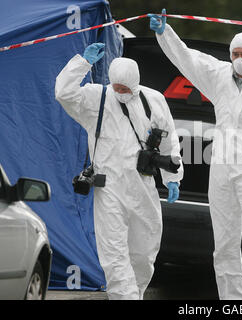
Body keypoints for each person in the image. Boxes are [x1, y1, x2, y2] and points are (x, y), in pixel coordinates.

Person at [149, 10, 242, 300]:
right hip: (220, 169)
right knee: (225, 244)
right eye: (235, 53)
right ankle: (235, 301)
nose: (239, 59)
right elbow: (187, 59)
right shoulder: (219, 75)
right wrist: (164, 33)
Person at [55, 43, 183, 300]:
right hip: (109, 187)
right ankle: (124, 296)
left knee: (144, 252)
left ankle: (134, 293)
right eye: (117, 87)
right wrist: (83, 63)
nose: (120, 92)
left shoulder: (153, 100)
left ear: (136, 83)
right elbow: (64, 93)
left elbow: (169, 140)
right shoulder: (97, 97)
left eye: (125, 88)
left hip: (142, 185)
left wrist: (173, 178)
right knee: (113, 251)